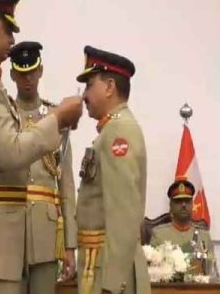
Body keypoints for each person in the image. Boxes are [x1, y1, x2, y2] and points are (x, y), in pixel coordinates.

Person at [0, 0, 83, 294]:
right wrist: (59, 117)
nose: (12, 39)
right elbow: (11, 151)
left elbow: (65, 185)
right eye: (7, 29)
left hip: (5, 240)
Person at [75, 46, 151, 294]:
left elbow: (124, 214)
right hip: (98, 264)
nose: (84, 96)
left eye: (89, 85)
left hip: (109, 274)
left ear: (109, 87)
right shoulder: (110, 131)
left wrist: (112, 284)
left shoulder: (119, 132)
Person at [8, 41, 77, 294]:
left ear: (41, 71)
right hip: (9, 226)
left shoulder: (57, 119)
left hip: (47, 231)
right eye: (22, 73)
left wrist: (70, 245)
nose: (28, 79)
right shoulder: (2, 116)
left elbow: (67, 187)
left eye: (32, 72)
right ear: (13, 74)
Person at [150, 180, 215, 266]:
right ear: (171, 205)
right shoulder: (159, 235)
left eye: (187, 201)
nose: (183, 205)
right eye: (179, 201)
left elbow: (212, 270)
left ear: (192, 204)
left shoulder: (203, 236)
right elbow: (152, 270)